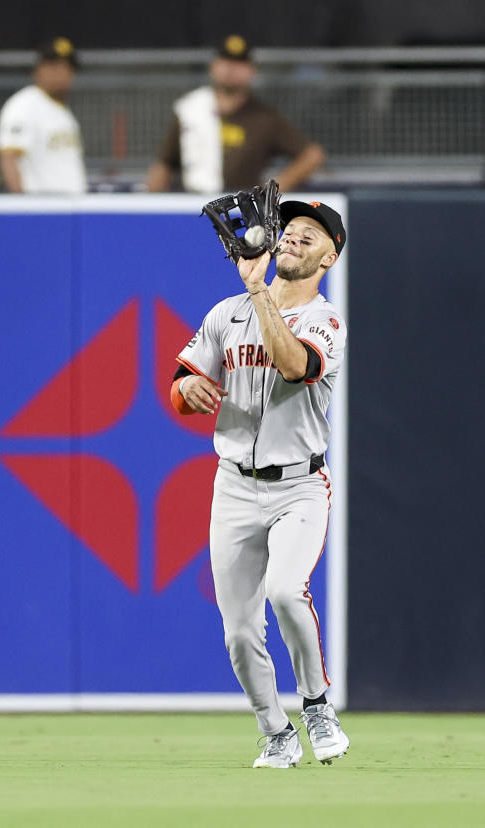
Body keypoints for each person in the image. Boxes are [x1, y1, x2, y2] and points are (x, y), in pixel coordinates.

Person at [170, 198, 349, 768]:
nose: (295, 237)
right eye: (290, 229)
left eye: (311, 235)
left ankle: (317, 704)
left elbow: (294, 364)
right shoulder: (227, 312)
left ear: (330, 256)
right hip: (234, 486)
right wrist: (187, 395)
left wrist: (259, 292)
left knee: (285, 590)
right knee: (239, 631)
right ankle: (276, 732)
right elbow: (182, 380)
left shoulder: (326, 321)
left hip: (299, 484)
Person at [145, 35, 326, 195]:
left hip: (240, 213)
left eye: (239, 64)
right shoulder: (191, 110)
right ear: (213, 67)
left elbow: (312, 155)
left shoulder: (264, 118)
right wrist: (151, 198)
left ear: (252, 71)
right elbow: (165, 163)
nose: (231, 69)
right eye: (225, 61)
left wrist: (271, 191)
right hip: (196, 207)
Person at [0, 37, 88, 195]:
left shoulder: (62, 111)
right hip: (42, 208)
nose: (61, 73)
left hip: (69, 207)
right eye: (53, 66)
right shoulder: (25, 104)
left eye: (66, 68)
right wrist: (24, 207)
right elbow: (8, 159)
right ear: (38, 70)